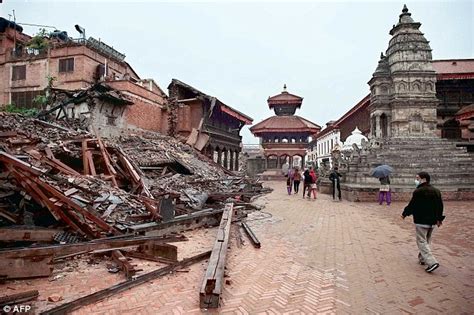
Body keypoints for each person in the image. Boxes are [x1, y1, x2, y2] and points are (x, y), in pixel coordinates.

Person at [402, 172, 444, 273]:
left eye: (417, 178)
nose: (416, 180)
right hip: (432, 221)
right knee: (426, 241)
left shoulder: (418, 191)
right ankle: (422, 259)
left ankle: (432, 262)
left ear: (423, 179)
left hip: (421, 220)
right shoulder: (436, 191)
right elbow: (440, 206)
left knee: (421, 241)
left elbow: (412, 205)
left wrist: (404, 213)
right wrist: (439, 219)